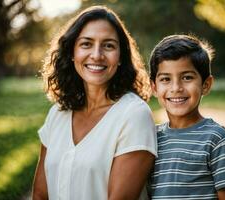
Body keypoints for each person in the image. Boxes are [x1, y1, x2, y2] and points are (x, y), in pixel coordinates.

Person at [32, 5, 157, 200]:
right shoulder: (57, 114)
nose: (97, 55)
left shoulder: (134, 115)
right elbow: (40, 195)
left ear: (121, 57)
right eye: (86, 44)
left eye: (108, 45)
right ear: (72, 52)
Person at [149, 34, 225, 199]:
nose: (176, 88)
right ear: (154, 87)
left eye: (187, 77)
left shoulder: (217, 139)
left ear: (206, 85)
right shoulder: (151, 138)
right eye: (166, 79)